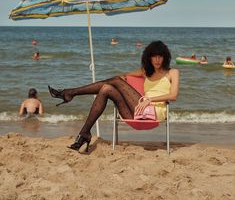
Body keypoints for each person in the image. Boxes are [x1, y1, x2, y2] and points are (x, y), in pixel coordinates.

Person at [48, 41, 180, 152]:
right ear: (149, 58)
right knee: (106, 88)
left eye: (160, 56)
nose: (157, 60)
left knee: (115, 81)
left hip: (154, 113)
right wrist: (124, 77)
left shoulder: (172, 72)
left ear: (165, 57)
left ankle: (70, 93)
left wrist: (149, 99)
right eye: (154, 56)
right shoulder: (146, 72)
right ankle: (85, 133)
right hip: (137, 112)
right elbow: (125, 76)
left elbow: (173, 95)